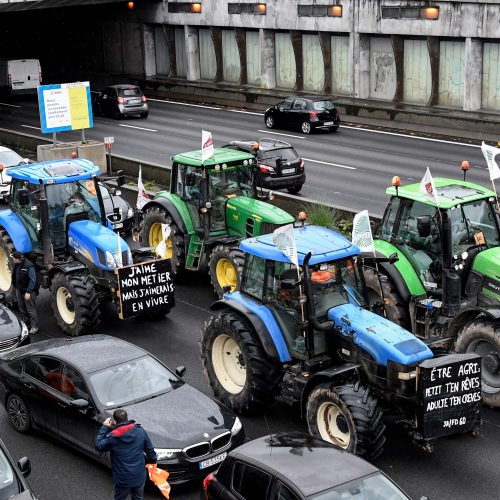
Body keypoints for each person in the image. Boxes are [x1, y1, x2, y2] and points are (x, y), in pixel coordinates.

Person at [96, 408, 157, 500]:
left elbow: (99, 446)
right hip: (139, 476)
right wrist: (153, 462)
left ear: (115, 421)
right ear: (127, 418)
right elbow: (150, 451)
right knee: (138, 498)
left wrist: (105, 427)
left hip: (123, 479)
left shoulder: (113, 437)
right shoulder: (140, 431)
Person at [11, 250, 39, 334]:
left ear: (17, 259)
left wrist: (28, 292)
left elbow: (33, 280)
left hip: (28, 291)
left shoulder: (29, 266)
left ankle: (34, 326)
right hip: (19, 289)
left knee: (30, 309)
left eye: (13, 258)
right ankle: (27, 324)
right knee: (22, 307)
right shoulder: (17, 264)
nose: (12, 259)